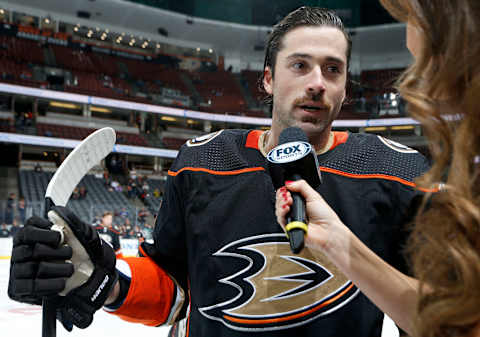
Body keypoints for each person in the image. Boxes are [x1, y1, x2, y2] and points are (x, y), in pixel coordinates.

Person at [8, 6, 429, 337]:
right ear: (267, 79)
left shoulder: (394, 171)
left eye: (332, 69)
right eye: (300, 66)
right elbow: (174, 294)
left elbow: (430, 316)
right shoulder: (203, 161)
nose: (317, 82)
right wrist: (106, 280)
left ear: (344, 87)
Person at [275, 1, 480, 337]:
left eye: (413, 17)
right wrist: (337, 243)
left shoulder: (397, 168)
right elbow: (457, 320)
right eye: (299, 65)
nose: (409, 41)